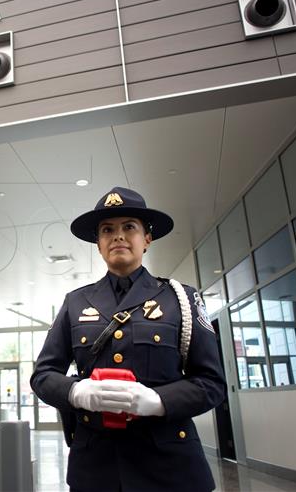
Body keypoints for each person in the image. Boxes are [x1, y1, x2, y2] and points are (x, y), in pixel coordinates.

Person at [30, 187, 225, 492]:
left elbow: (212, 383)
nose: (117, 236)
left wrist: (159, 401)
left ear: (147, 239)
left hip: (169, 468)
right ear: (98, 243)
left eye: (129, 227)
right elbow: (42, 376)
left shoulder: (181, 299)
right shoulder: (76, 302)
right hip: (96, 468)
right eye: (107, 230)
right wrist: (76, 392)